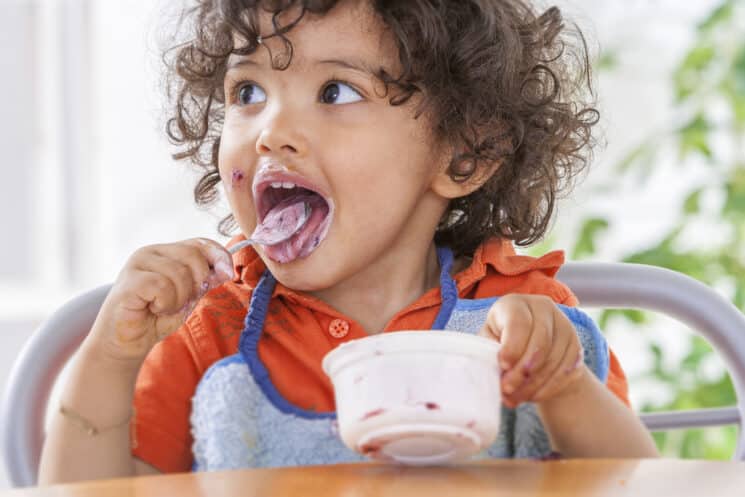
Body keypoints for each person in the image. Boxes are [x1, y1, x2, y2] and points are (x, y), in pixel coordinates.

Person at [39, 0, 658, 483]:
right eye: (248, 91)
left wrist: (562, 386)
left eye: (335, 92)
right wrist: (109, 362)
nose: (272, 133)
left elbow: (635, 480)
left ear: (464, 152)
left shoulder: (520, 312)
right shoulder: (209, 331)